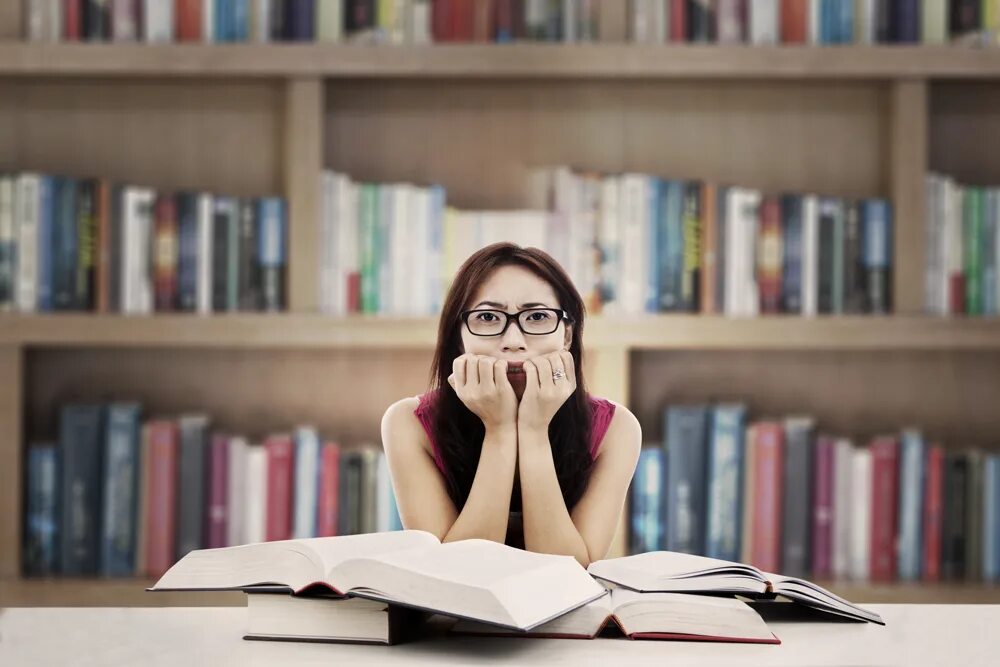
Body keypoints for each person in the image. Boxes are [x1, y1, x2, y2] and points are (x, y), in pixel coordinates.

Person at [381, 243, 641, 567]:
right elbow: (455, 572)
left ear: (567, 335)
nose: (514, 341)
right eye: (488, 317)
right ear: (459, 335)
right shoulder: (408, 423)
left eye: (537, 316)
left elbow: (567, 572)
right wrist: (500, 430)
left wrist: (534, 431)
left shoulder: (617, 429)